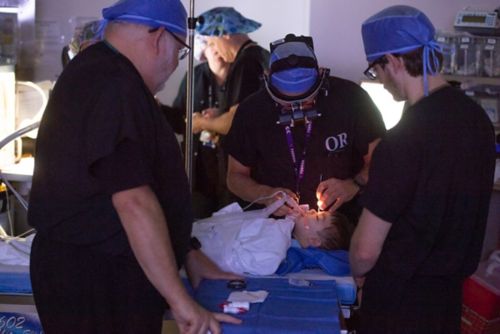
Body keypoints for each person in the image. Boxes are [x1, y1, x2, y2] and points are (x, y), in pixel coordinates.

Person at [27, 0, 241, 333]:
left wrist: (187, 253)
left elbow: (146, 182)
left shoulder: (100, 73)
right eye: (179, 53)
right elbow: (134, 202)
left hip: (96, 272)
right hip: (96, 280)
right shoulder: (114, 86)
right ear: (159, 40)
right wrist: (182, 304)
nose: (174, 65)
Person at [349, 5, 496, 333]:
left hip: (398, 304)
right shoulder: (478, 121)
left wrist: (356, 271)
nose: (382, 81)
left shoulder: (403, 140)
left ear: (395, 61)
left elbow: (364, 251)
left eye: (377, 69)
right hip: (448, 301)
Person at [224, 34, 386, 223]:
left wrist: (354, 184)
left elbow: (383, 160)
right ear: (268, 81)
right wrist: (265, 194)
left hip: (341, 224)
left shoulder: (351, 100)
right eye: (287, 103)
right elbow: (234, 177)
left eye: (307, 102)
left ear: (321, 76)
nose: (297, 110)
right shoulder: (253, 111)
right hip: (274, 227)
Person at [187, 7, 270, 214]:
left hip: (248, 170)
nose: (215, 50)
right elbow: (250, 111)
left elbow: (235, 122)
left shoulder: (246, 63)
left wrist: (202, 123)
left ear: (224, 33)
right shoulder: (262, 56)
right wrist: (220, 114)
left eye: (213, 42)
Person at [192, 198, 353, 276]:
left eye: (316, 217)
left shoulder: (278, 243)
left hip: (205, 250)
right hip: (203, 237)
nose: (310, 211)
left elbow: (248, 261)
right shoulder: (283, 232)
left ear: (314, 241)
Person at [172, 35, 231, 218]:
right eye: (210, 44)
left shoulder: (242, 76)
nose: (215, 49)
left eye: (218, 43)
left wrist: (216, 117)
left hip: (233, 175)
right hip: (199, 174)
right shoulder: (195, 76)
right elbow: (178, 119)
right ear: (203, 50)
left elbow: (246, 120)